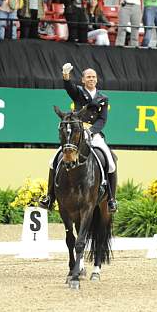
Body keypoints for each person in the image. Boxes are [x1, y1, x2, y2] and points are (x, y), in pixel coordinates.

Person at [39, 63, 118, 213]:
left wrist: (92, 131)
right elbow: (69, 87)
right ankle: (49, 196)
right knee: (53, 160)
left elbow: (102, 119)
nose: (91, 79)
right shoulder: (79, 93)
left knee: (111, 162)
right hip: (76, 132)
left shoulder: (103, 98)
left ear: (97, 79)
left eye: (94, 77)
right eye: (88, 77)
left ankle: (111, 200)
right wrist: (66, 76)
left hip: (93, 133)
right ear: (83, 80)